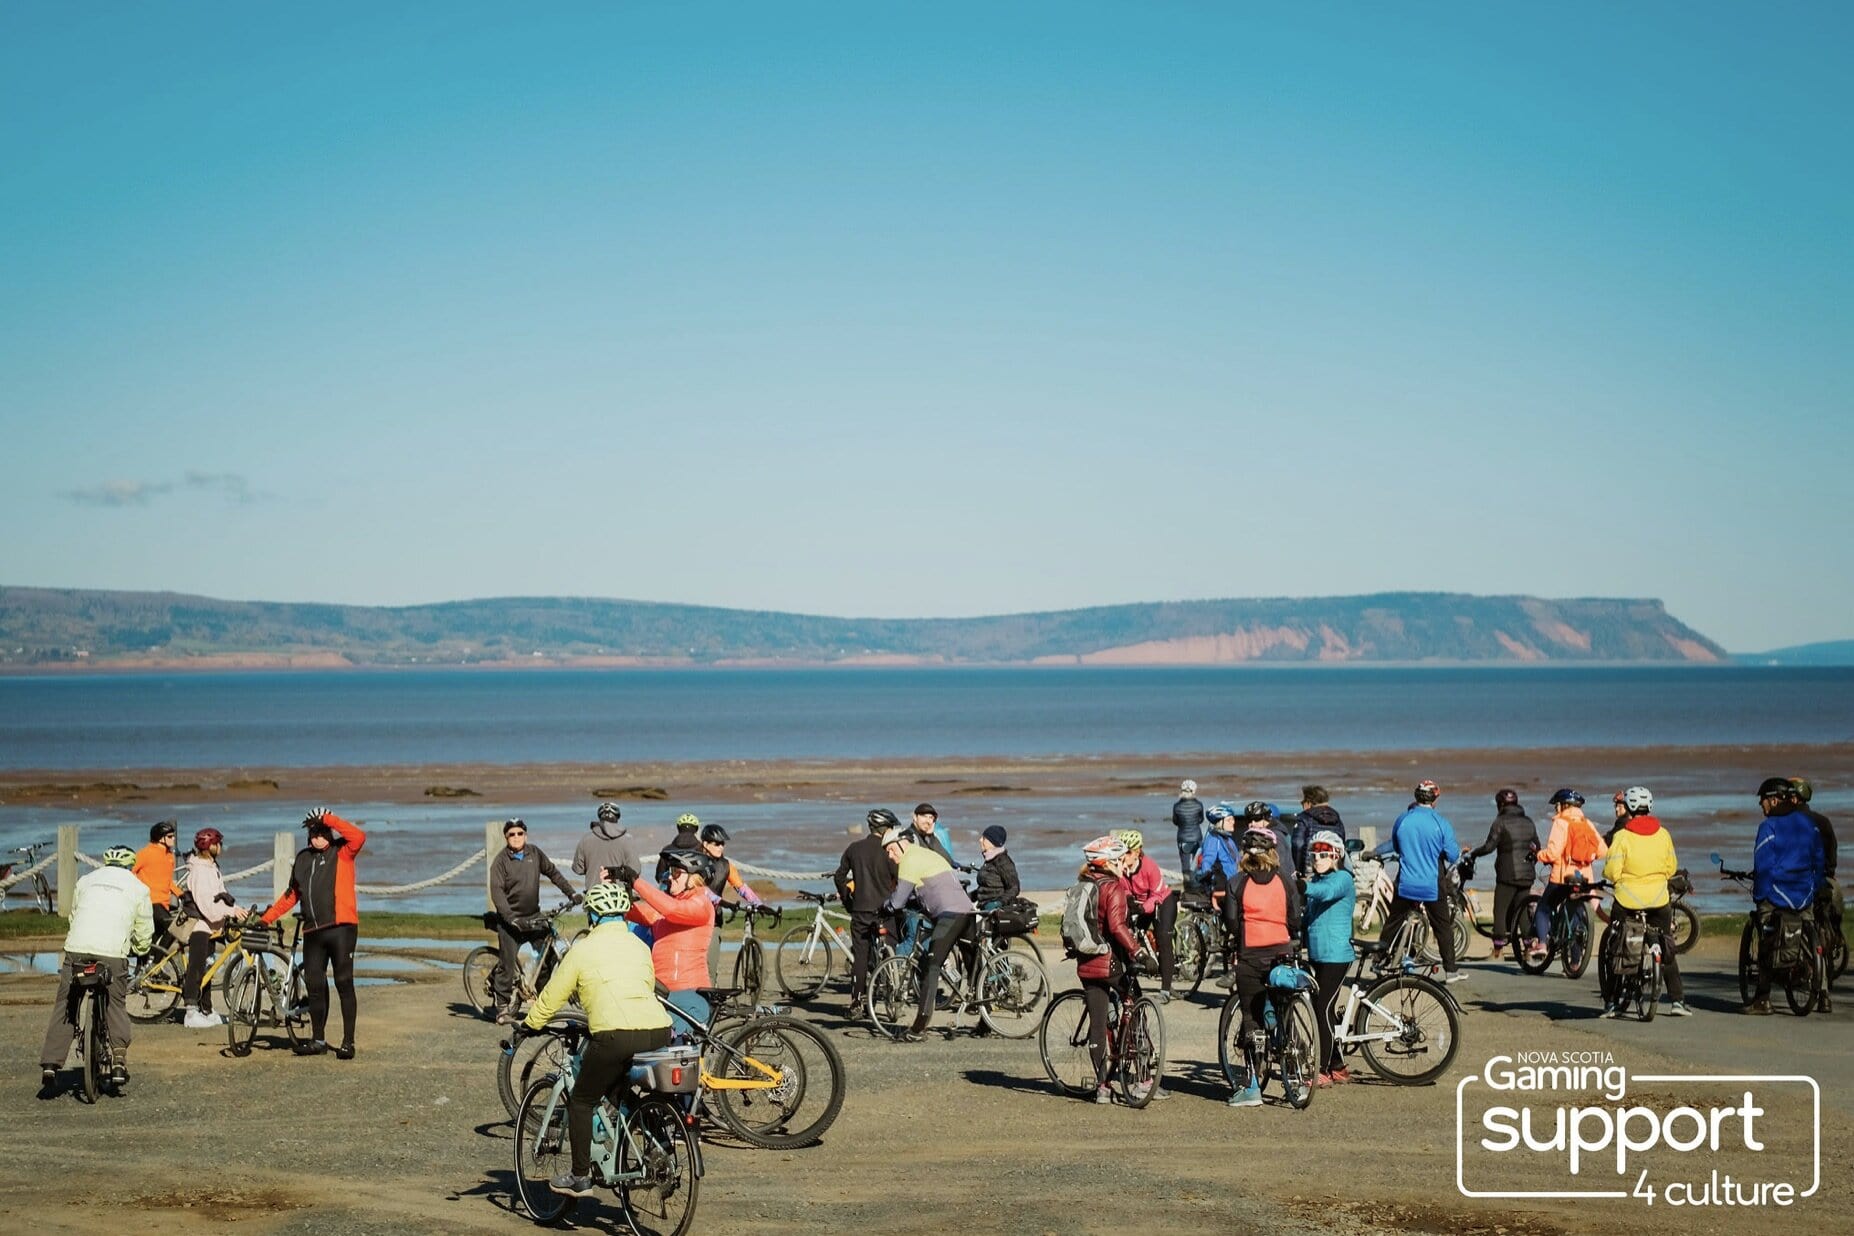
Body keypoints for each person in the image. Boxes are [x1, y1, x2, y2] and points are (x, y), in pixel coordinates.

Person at [517, 880, 673, 1199]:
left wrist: (529, 1024)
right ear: (622, 915)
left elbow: (552, 997)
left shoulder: (583, 950)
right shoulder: (639, 946)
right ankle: (654, 1144)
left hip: (616, 1035)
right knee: (618, 1089)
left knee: (582, 1100)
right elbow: (644, 985)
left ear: (593, 916)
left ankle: (579, 1177)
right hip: (659, 1031)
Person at [40, 846, 153, 1092]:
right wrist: (139, 949)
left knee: (67, 1004)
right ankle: (119, 1060)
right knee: (116, 1003)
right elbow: (144, 931)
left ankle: (51, 1063)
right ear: (131, 864)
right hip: (112, 953)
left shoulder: (86, 880)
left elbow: (74, 917)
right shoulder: (139, 888)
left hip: (77, 949)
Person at [259, 808, 367, 1057]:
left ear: (329, 832)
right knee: (315, 985)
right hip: (313, 932)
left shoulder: (342, 851)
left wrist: (328, 818)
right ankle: (318, 1040)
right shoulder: (303, 859)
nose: (318, 836)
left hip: (341, 928)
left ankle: (348, 1043)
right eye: (313, 832)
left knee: (343, 982)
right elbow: (291, 895)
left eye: (322, 831)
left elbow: (359, 836)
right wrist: (266, 919)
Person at [1225, 825, 1303, 1107]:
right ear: (1273, 852)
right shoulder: (1285, 880)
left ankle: (1253, 1087)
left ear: (1244, 854)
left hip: (1251, 955)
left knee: (1252, 1018)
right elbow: (1295, 918)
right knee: (1285, 1012)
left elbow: (1232, 922)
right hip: (1282, 953)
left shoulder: (1236, 883)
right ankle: (1296, 1076)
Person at [1600, 786, 1691, 1017]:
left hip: (1627, 900)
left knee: (1617, 946)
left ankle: (1612, 1003)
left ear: (1629, 808)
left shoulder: (1622, 836)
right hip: (1658, 900)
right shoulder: (1663, 834)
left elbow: (1612, 870)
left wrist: (1618, 879)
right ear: (1649, 807)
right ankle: (1678, 1001)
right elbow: (1671, 867)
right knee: (1666, 943)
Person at [882, 825, 974, 1042]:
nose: (890, 855)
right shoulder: (924, 854)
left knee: (932, 966)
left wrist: (883, 907)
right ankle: (985, 1019)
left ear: (901, 844)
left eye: (890, 850)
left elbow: (898, 901)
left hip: (950, 915)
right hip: (967, 911)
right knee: (973, 966)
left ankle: (918, 1028)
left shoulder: (909, 861)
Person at [1746, 777, 1826, 1015]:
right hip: (1804, 893)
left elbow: (1763, 867)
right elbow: (1818, 859)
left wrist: (1760, 895)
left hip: (1777, 893)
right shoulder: (1808, 824)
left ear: (1773, 800)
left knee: (1766, 940)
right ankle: (1823, 994)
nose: (1760, 804)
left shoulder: (1768, 827)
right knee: (1811, 934)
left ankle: (1763, 998)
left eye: (1763, 800)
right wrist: (1815, 886)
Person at [488, 818, 581, 1024]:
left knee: (547, 958)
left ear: (526, 835)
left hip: (534, 916)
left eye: (520, 833)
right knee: (507, 964)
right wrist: (511, 918)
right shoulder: (500, 862)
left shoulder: (535, 853)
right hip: (511, 920)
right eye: (512, 834)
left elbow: (553, 873)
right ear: (506, 837)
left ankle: (542, 1001)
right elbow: (497, 893)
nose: (516, 837)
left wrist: (571, 893)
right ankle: (502, 1007)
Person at [1071, 836, 1141, 1104]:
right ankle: (1142, 1076)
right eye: (1121, 859)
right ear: (1109, 863)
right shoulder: (1113, 888)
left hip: (1086, 962)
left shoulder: (1084, 884)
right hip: (1110, 962)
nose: (1125, 864)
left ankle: (1103, 1087)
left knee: (1098, 1024)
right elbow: (1117, 927)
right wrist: (1138, 951)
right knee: (1135, 1003)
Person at [1378, 780, 1466, 983]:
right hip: (1431, 884)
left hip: (1406, 881)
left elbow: (1397, 846)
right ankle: (1451, 971)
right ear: (1435, 799)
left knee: (1393, 922)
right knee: (1442, 926)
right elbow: (1453, 855)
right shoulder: (1440, 822)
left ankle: (1378, 960)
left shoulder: (1403, 819)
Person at [618, 849, 716, 1032]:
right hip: (663, 992)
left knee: (671, 1046)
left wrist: (636, 882)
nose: (670, 877)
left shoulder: (701, 903)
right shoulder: (672, 905)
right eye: (670, 871)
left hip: (689, 993)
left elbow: (672, 910)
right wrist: (613, 889)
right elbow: (634, 912)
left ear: (694, 877)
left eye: (676, 872)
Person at [1301, 831, 1357, 1085]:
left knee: (1321, 1008)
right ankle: (1337, 1066)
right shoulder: (1316, 880)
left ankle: (1322, 1070)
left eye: (1323, 854)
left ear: (1336, 856)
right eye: (1314, 855)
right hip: (1317, 954)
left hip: (1336, 955)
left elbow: (1325, 893)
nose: (1317, 859)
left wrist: (1302, 886)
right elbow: (1308, 917)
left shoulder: (1343, 878)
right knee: (1325, 1010)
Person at [1528, 789, 1607, 961]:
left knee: (1543, 908)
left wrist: (1539, 855)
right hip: (1584, 878)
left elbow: (1553, 853)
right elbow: (1602, 850)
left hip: (1562, 878)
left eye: (1557, 805)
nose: (1556, 809)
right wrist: (1586, 858)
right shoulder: (1587, 823)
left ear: (1563, 805)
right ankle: (1576, 963)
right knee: (1575, 916)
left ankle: (1542, 944)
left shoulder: (1561, 823)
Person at [834, 809, 901, 1007]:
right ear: (886, 829)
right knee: (890, 949)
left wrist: (848, 901)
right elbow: (900, 877)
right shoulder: (889, 850)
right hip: (885, 910)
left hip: (861, 909)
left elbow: (839, 877)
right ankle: (891, 991)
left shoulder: (854, 849)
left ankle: (857, 1000)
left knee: (860, 956)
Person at [182, 828, 241, 1028]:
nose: (221, 847)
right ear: (210, 846)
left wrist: (234, 908)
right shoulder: (200, 870)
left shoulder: (211, 866)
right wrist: (231, 912)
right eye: (219, 843)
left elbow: (220, 894)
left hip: (212, 925)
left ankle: (206, 1010)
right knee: (197, 967)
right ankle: (190, 1013)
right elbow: (207, 904)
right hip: (199, 924)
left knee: (208, 967)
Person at [1470, 789, 1539, 952]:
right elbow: (1536, 846)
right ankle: (1528, 945)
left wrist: (1474, 853)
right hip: (1527, 874)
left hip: (1507, 874)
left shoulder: (1500, 822)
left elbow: (1489, 847)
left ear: (1500, 804)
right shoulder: (1529, 822)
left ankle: (1498, 948)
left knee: (1500, 909)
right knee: (1522, 910)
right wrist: (1530, 863)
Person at [1117, 828, 1178, 1002]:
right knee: (1128, 935)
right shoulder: (1122, 868)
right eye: (1122, 852)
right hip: (1141, 903)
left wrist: (1144, 908)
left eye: (1128, 852)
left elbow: (1156, 895)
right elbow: (1124, 888)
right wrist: (1129, 899)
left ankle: (1165, 990)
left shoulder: (1150, 866)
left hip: (1162, 901)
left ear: (1137, 852)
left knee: (1163, 939)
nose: (1124, 856)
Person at [699, 822, 765, 981]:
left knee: (710, 965)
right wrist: (723, 902)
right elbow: (701, 890)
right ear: (705, 844)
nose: (721, 847)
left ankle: (710, 990)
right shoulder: (696, 862)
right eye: (717, 844)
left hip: (714, 920)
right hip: (694, 919)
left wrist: (758, 903)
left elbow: (741, 887)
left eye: (722, 844)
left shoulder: (726, 865)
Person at [572, 802, 645, 892]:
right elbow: (636, 870)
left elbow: (578, 870)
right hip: (620, 895)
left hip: (594, 895)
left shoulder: (585, 840)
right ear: (617, 817)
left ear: (600, 817)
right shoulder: (627, 840)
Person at [131, 820, 182, 948]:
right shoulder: (145, 853)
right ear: (160, 838)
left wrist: (181, 894)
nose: (173, 839)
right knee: (174, 929)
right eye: (170, 836)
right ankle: (159, 959)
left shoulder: (169, 856)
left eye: (173, 836)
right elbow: (129, 872)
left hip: (164, 904)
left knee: (152, 940)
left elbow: (168, 881)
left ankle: (149, 959)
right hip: (150, 903)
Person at [1291, 786, 1345, 877]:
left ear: (1308, 803)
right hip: (1333, 869)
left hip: (1311, 868)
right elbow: (1341, 845)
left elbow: (1298, 844)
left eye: (1302, 802)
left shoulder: (1304, 818)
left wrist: (1298, 870)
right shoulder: (1337, 820)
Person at [970, 825, 1021, 908]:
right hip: (983, 907)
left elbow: (1014, 888)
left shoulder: (1004, 862)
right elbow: (987, 888)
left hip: (998, 910)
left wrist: (998, 903)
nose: (980, 840)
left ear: (993, 842)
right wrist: (969, 897)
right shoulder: (989, 860)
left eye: (984, 838)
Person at [1173, 780, 1205, 892]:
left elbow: (1175, 821)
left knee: (1185, 865)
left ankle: (1187, 887)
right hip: (1196, 837)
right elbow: (1201, 820)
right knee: (1196, 863)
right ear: (1194, 791)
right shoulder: (1199, 805)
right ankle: (1197, 886)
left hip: (1183, 838)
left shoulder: (1177, 806)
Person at [654, 813, 704, 883]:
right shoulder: (702, 849)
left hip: (674, 887)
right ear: (696, 829)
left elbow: (659, 876)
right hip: (695, 886)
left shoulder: (667, 850)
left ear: (678, 828)